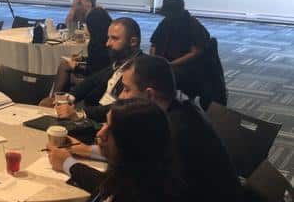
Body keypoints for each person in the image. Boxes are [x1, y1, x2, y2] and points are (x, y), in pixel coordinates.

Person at [67, 55, 243, 202]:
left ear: (150, 95)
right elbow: (135, 157)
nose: (120, 96)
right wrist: (88, 150)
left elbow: (127, 186)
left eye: (126, 89)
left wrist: (69, 164)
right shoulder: (175, 108)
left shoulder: (176, 130)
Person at [47, 98, 183, 202]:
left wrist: (68, 162)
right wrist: (77, 156)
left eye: (111, 129)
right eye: (105, 124)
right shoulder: (141, 176)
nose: (100, 133)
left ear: (131, 143)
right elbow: (105, 183)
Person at [54, 17, 142, 122]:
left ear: (133, 42)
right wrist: (68, 97)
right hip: (95, 115)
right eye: (108, 38)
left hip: (110, 122)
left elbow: (124, 106)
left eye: (114, 38)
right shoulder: (120, 62)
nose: (107, 43)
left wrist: (82, 114)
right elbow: (91, 81)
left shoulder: (140, 69)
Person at [40, 7, 112, 106]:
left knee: (64, 68)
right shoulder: (106, 39)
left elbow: (95, 71)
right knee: (65, 67)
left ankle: (54, 100)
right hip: (100, 76)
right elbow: (99, 62)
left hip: (96, 81)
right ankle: (58, 100)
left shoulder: (97, 44)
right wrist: (82, 59)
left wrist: (76, 66)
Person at [151, 0, 210, 98]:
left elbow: (195, 52)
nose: (167, 16)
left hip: (185, 65)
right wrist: (154, 60)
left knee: (167, 77)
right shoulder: (166, 22)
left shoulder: (193, 25)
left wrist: (171, 64)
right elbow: (154, 44)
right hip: (165, 61)